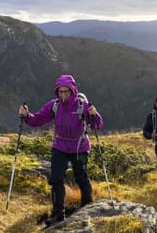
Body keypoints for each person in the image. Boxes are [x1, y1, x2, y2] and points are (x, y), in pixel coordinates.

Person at [18, 75, 103, 226]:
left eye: (66, 91)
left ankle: (87, 208)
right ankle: (57, 214)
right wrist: (27, 115)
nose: (63, 95)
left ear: (73, 91)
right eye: (60, 91)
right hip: (60, 147)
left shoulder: (82, 105)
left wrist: (94, 114)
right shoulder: (54, 105)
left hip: (80, 147)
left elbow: (97, 124)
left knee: (81, 177)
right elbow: (38, 119)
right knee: (56, 179)